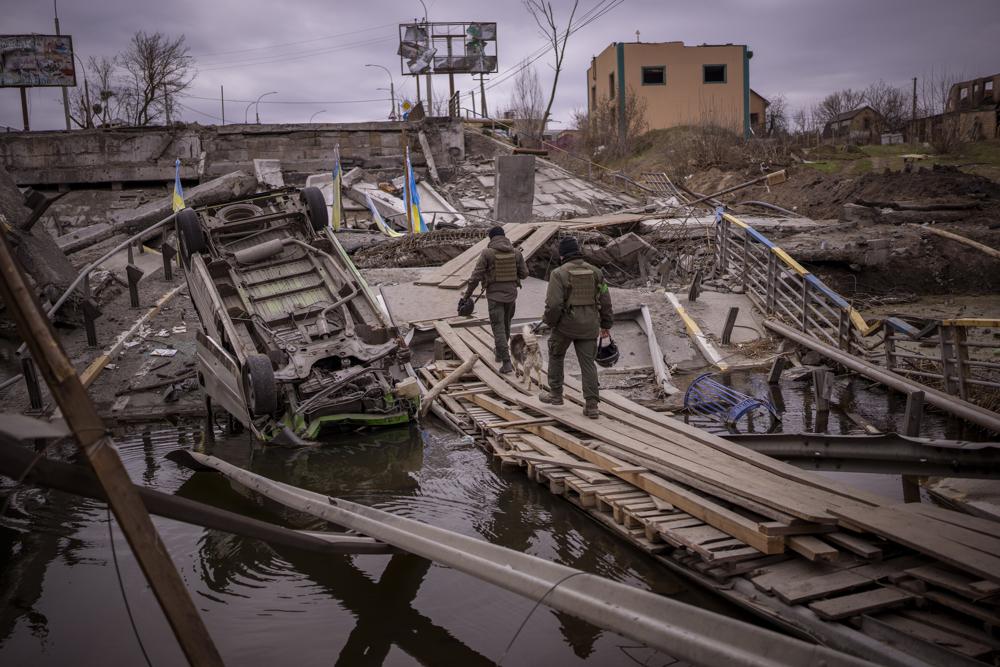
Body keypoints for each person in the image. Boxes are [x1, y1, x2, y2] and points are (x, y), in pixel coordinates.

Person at [538, 237, 613, 419]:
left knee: (556, 354)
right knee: (588, 364)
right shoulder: (596, 272)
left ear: (562, 254)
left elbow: (554, 304)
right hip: (589, 326)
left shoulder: (558, 273)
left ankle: (555, 394)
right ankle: (592, 405)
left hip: (565, 326)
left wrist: (550, 322)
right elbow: (605, 299)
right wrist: (606, 324)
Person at [463, 226, 528, 374]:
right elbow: (524, 274)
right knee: (505, 325)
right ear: (504, 236)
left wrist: (466, 296)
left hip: (494, 297)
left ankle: (506, 362)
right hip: (511, 296)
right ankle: (500, 353)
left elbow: (475, 277)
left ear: (491, 238)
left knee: (498, 327)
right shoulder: (516, 253)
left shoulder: (487, 253)